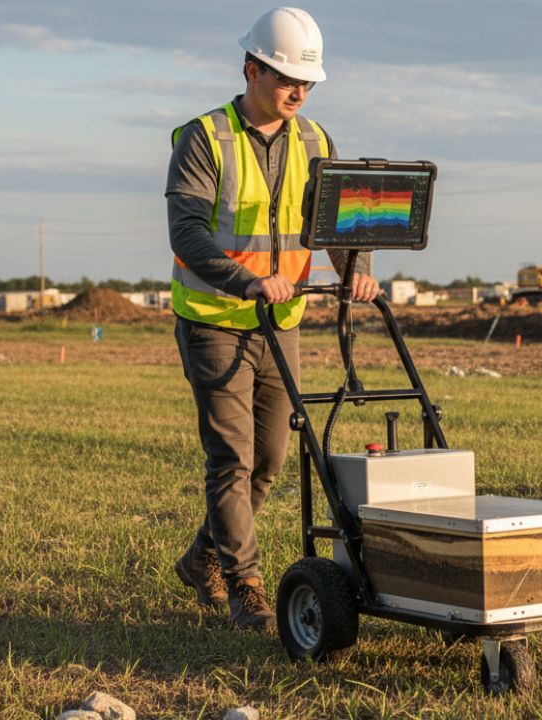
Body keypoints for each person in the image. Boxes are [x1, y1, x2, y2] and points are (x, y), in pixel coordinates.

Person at [165, 7, 379, 633]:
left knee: (272, 459)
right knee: (231, 455)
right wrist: (248, 279)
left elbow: (338, 223)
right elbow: (187, 233)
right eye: (287, 78)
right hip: (214, 319)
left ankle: (204, 555)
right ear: (252, 68)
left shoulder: (316, 141)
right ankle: (245, 585)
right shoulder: (203, 138)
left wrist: (356, 266)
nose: (298, 92)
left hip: (279, 322)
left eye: (306, 83)